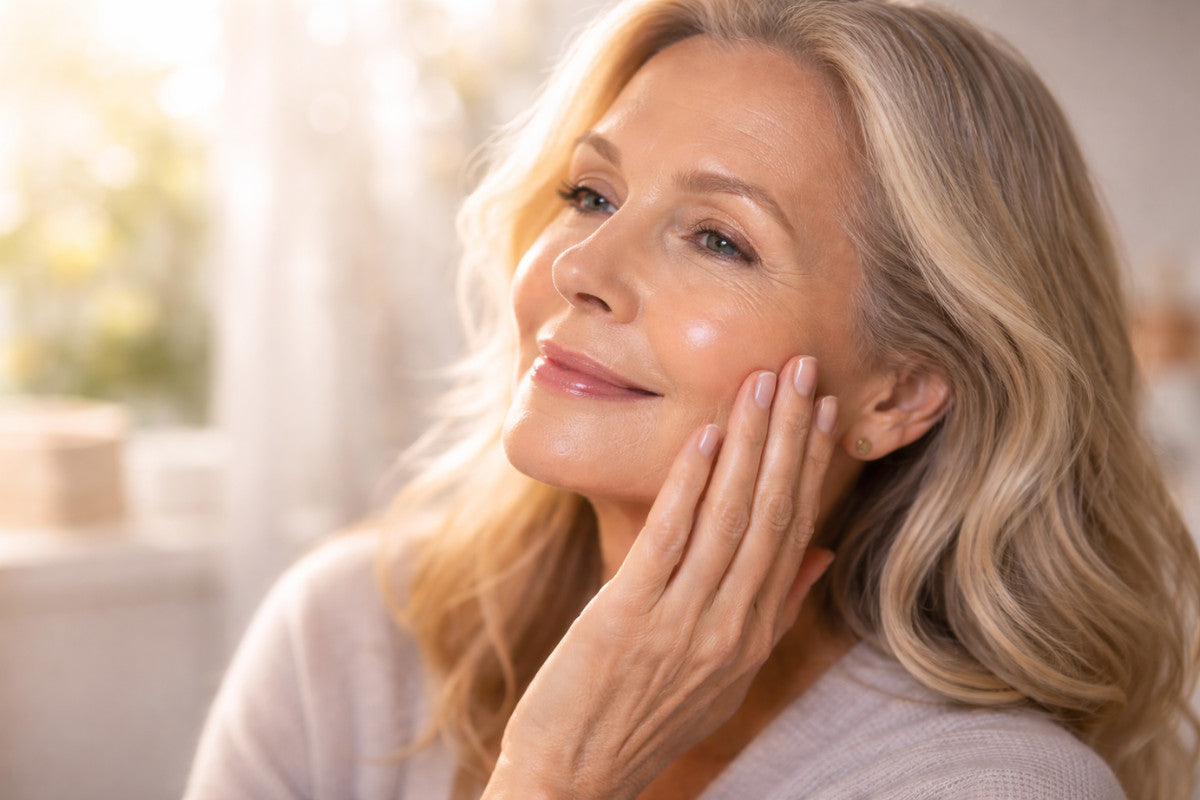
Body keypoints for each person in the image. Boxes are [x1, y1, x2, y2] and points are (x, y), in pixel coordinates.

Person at [184, 1, 1200, 798]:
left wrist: (559, 780)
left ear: (901, 391)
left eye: (718, 237)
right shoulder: (356, 633)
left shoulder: (995, 785)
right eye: (593, 194)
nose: (582, 261)